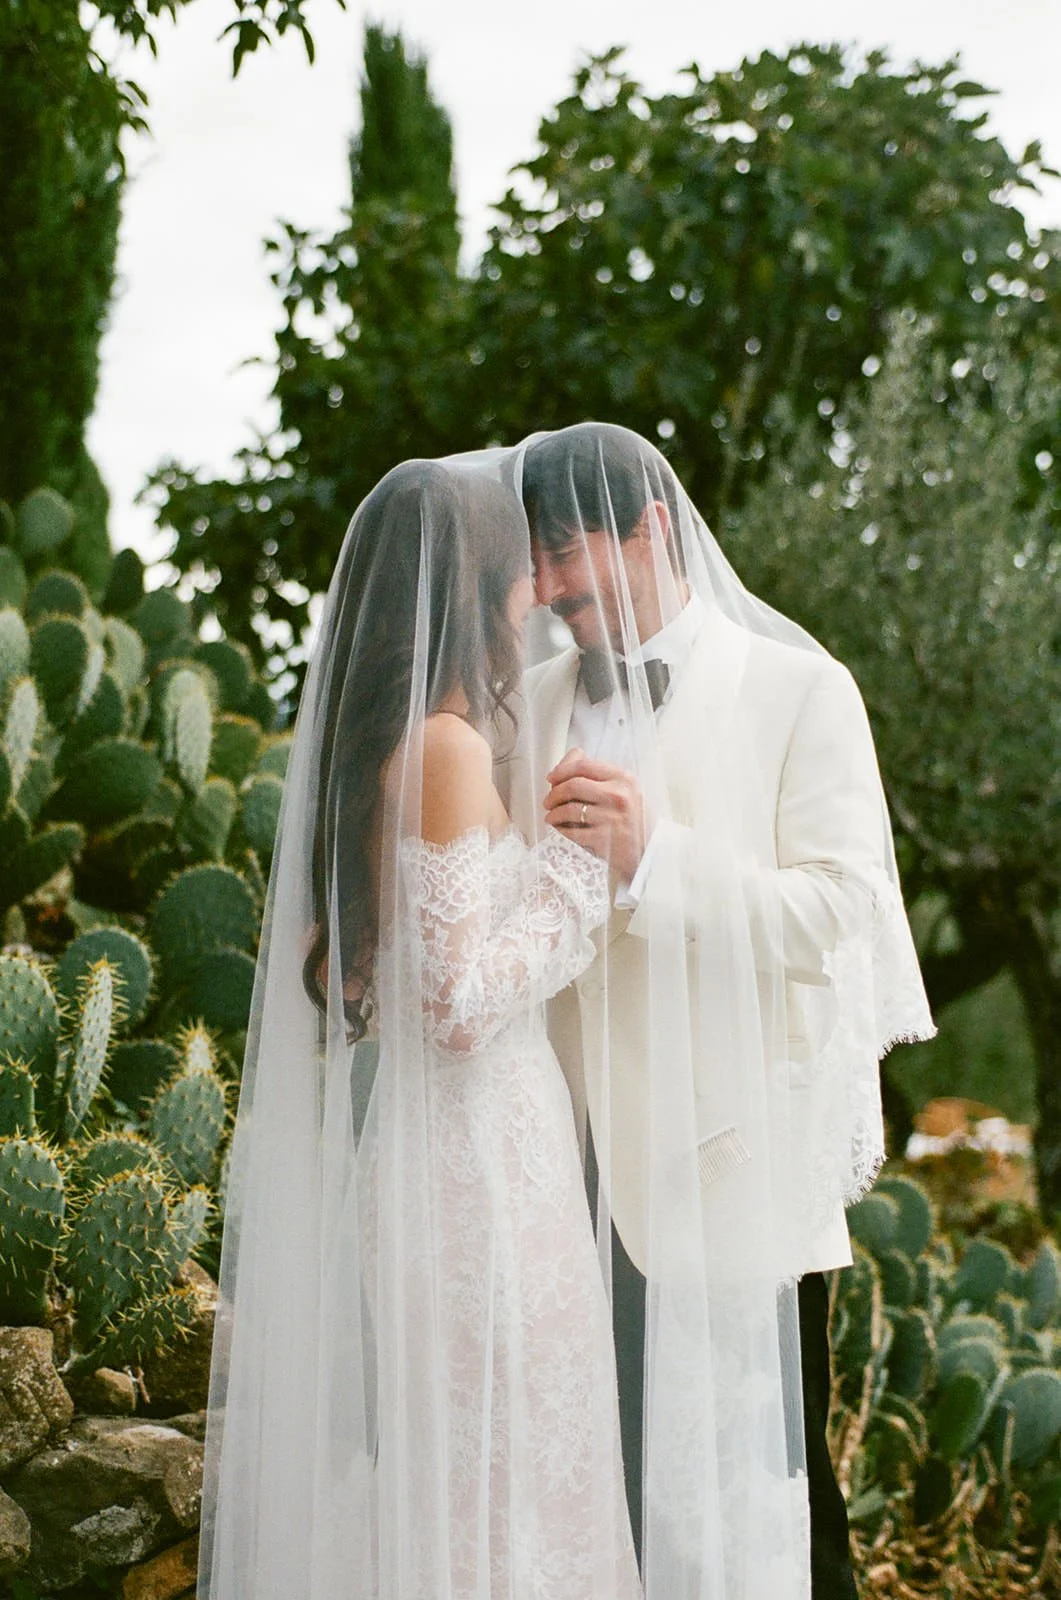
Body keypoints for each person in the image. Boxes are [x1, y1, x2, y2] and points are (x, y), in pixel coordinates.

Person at [499, 422, 936, 1598]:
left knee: (775, 1522)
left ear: (649, 528)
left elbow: (842, 922)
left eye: (563, 552)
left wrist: (653, 862)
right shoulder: (529, 702)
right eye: (530, 563)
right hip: (555, 1192)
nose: (544, 590)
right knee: (594, 1521)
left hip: (729, 1176)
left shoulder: (801, 692)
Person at [197, 457, 640, 1599]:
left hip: (469, 1156)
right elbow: (451, 1006)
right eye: (515, 571)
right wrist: (577, 881)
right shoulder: (443, 746)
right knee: (497, 1474)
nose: (535, 594)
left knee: (493, 1463)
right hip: (478, 1168)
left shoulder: (413, 741)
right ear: (466, 585)